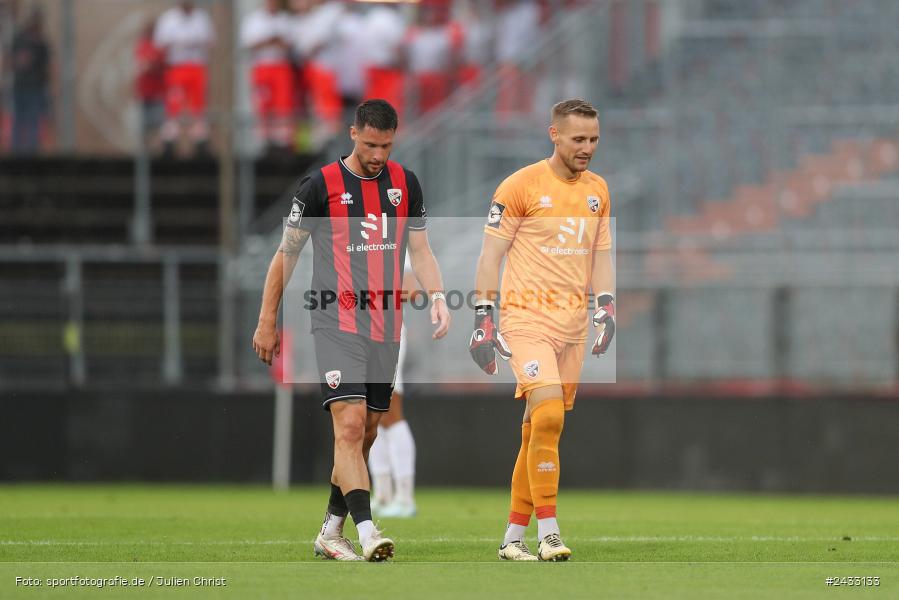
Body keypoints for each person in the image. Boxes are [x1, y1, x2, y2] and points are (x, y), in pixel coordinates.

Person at [253, 99, 450, 561]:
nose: (379, 154)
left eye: (386, 145)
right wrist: (267, 319)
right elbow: (286, 255)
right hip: (335, 322)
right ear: (352, 133)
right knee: (350, 425)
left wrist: (439, 297)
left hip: (386, 325)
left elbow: (420, 250)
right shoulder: (319, 187)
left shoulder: (406, 184)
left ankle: (330, 529)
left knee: (368, 433)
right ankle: (367, 531)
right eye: (370, 144)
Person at [470, 98, 616, 562]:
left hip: (571, 327)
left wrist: (606, 308)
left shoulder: (598, 191)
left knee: (539, 430)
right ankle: (549, 532)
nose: (587, 148)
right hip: (524, 318)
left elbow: (601, 255)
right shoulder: (520, 186)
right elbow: (490, 256)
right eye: (578, 139)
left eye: (593, 139)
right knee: (549, 414)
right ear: (554, 135)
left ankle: (513, 539)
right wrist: (483, 317)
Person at [369, 257, 419, 519]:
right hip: (359, 331)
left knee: (390, 411)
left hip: (387, 330)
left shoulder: (395, 234)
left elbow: (412, 289)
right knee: (369, 414)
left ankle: (404, 496)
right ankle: (383, 494)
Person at [153, 1, 215, 157]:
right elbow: (160, 44)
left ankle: (200, 139)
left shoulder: (202, 18)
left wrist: (189, 43)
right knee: (174, 105)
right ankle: (170, 139)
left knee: (198, 105)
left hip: (197, 67)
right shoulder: (168, 19)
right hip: (176, 67)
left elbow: (210, 41)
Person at [241, 0, 294, 154]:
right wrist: (268, 41)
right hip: (262, 67)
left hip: (281, 66)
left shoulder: (284, 19)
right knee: (263, 103)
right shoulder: (254, 19)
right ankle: (264, 141)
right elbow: (249, 44)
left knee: (283, 104)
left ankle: (282, 141)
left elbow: (289, 44)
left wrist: (274, 42)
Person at [11, 9, 51, 153]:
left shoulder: (41, 43)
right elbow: (10, 60)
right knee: (20, 121)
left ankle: (30, 154)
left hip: (35, 88)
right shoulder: (20, 39)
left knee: (32, 121)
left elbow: (47, 66)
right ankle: (17, 153)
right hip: (21, 87)